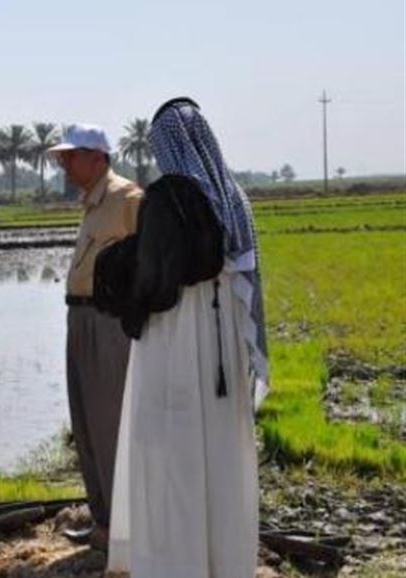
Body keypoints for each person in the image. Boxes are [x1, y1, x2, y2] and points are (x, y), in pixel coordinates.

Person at [108, 97, 267, 578]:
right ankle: (223, 560)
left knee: (169, 453)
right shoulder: (232, 198)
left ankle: (175, 562)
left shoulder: (170, 198)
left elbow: (155, 285)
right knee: (219, 455)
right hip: (222, 349)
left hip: (175, 343)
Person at [48, 124, 143, 550]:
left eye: (71, 157)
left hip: (109, 322)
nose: (64, 165)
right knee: (86, 424)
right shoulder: (92, 203)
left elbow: (147, 268)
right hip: (80, 319)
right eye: (63, 158)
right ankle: (104, 521)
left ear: (98, 157)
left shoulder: (128, 199)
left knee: (109, 423)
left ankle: (125, 525)